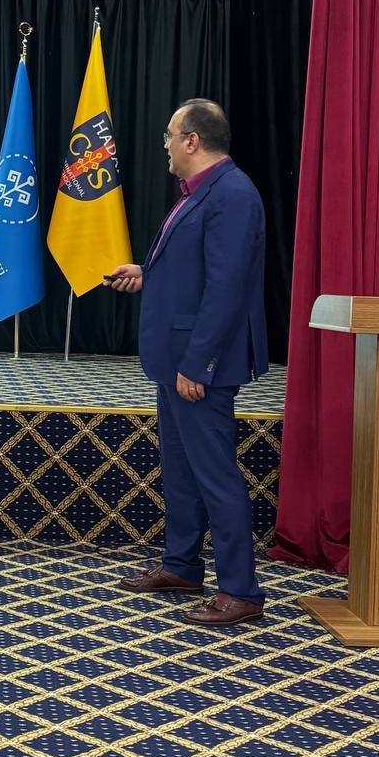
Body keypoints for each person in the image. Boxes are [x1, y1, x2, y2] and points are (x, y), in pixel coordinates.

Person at [106, 99, 268, 626]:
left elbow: (226, 288)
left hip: (200, 366)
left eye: (170, 136)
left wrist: (200, 363)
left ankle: (240, 591)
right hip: (175, 359)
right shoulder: (198, 192)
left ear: (193, 140)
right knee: (180, 471)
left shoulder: (233, 194)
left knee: (215, 475)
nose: (167, 146)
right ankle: (181, 566)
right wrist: (147, 273)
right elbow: (196, 270)